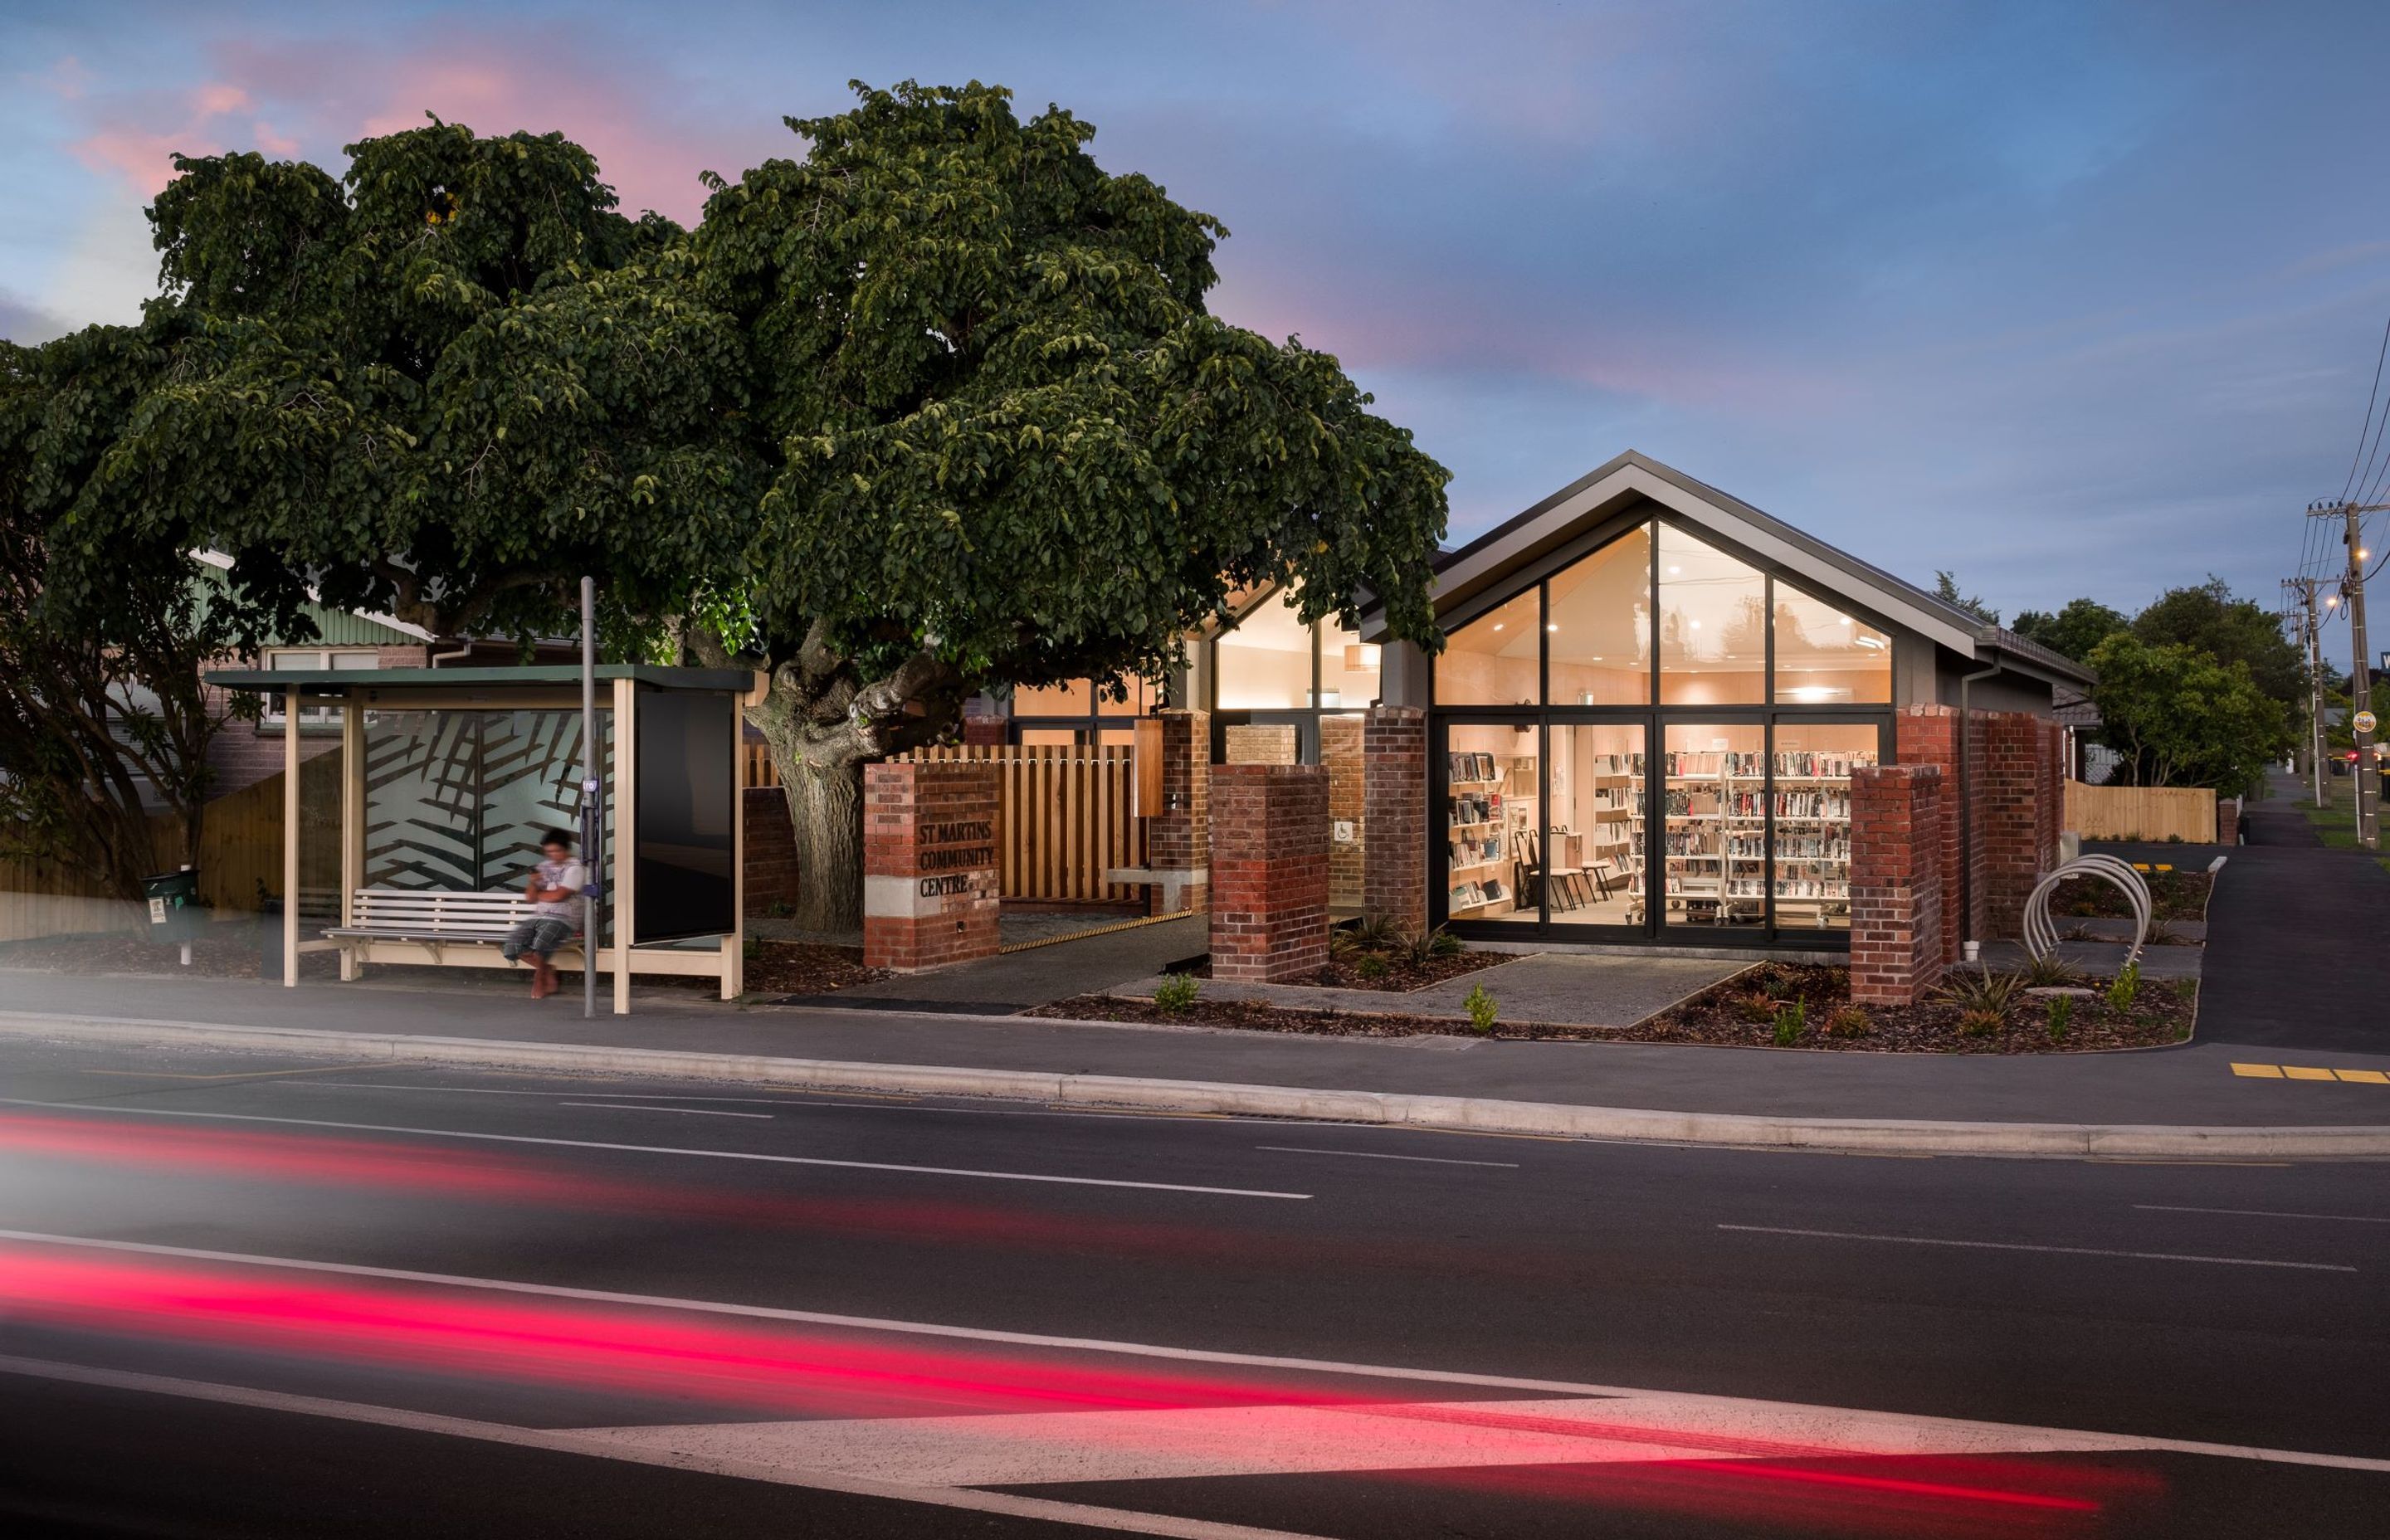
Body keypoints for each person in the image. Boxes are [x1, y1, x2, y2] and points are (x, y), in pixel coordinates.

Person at [501, 829, 585, 999]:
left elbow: (559, 896)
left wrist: (542, 895)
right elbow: (531, 898)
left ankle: (539, 980)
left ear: (566, 849)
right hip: (539, 916)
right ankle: (547, 969)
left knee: (540, 946)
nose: (553, 855)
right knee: (511, 947)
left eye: (557, 851)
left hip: (565, 919)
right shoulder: (543, 867)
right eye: (549, 852)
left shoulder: (575, 868)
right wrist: (533, 883)